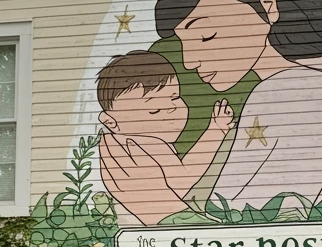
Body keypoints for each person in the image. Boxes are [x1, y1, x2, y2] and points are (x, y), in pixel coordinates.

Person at [100, 0, 322, 223]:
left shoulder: (292, 94)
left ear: (268, 6)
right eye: (183, 42)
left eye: (205, 35)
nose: (189, 62)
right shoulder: (315, 89)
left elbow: (249, 229)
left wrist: (157, 207)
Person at [96, 50, 234, 225]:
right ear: (110, 121)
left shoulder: (118, 146)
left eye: (175, 97)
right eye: (154, 110)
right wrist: (216, 130)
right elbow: (184, 179)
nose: (172, 109)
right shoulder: (146, 144)